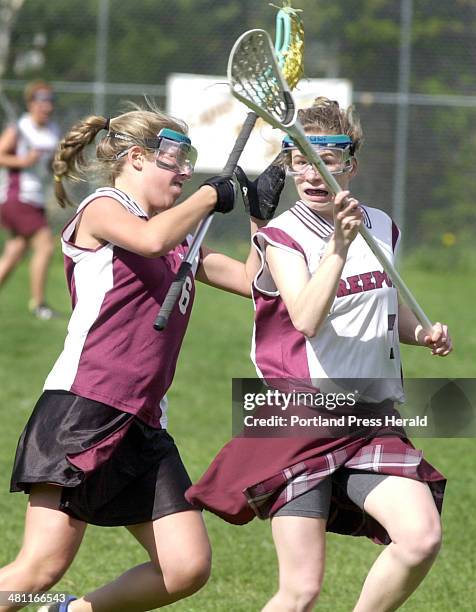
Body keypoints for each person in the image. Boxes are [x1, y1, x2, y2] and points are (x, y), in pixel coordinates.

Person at [0, 105, 285, 612]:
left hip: (144, 422)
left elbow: (255, 283)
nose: (184, 172)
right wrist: (205, 197)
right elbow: (151, 240)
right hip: (83, 409)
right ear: (135, 158)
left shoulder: (177, 239)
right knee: (38, 570)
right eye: (174, 161)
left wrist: (259, 220)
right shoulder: (102, 208)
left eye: (189, 162)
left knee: (185, 568)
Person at [187, 97, 453, 612]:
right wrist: (336, 246)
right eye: (300, 160)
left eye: (325, 160)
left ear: (349, 163)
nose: (311, 173)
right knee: (301, 591)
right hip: (299, 418)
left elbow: (383, 297)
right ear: (288, 163)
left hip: (370, 415)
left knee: (420, 538)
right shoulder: (283, 238)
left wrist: (423, 333)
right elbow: (306, 317)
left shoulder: (380, 225)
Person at [0, 80, 60, 319]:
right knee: (45, 246)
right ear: (31, 103)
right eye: (41, 102)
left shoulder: (53, 129)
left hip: (35, 198)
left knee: (15, 250)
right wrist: (23, 162)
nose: (46, 107)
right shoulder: (19, 128)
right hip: (17, 197)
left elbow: (51, 161)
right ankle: (39, 304)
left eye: (50, 102)